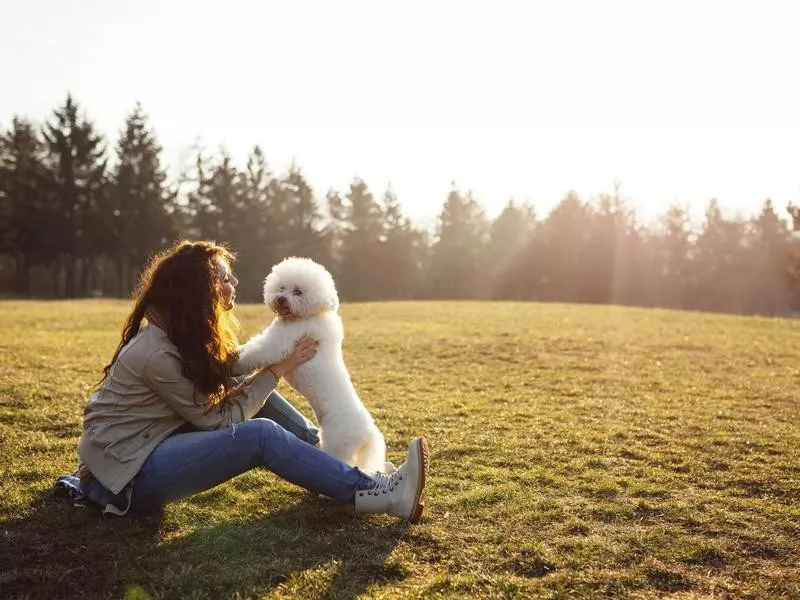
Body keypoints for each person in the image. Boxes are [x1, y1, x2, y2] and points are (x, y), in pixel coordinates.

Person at [58, 240, 428, 522]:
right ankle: (377, 493)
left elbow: (225, 372)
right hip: (124, 477)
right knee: (260, 434)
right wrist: (276, 369)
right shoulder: (156, 352)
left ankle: (344, 469)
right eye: (224, 278)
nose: (234, 283)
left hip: (139, 450)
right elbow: (214, 420)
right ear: (200, 290)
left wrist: (266, 373)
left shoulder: (181, 332)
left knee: (257, 395)